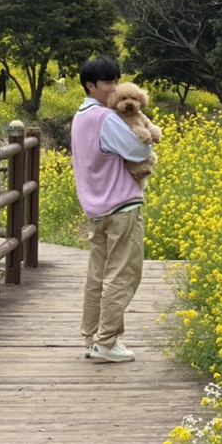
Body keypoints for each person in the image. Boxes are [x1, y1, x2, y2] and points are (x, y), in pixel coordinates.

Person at [71, 55, 152, 363]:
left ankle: (93, 336)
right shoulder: (104, 118)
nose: (115, 88)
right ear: (90, 85)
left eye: (117, 80)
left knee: (98, 274)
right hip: (121, 204)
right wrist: (145, 144)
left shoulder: (80, 116)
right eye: (108, 83)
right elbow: (137, 148)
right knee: (124, 273)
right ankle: (107, 342)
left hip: (96, 208)